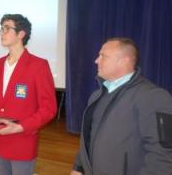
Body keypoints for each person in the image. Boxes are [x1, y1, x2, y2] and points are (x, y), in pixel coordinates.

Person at [71, 37, 172, 175]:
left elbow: (163, 156)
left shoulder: (153, 97)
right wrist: (79, 167)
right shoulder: (97, 95)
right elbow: (88, 138)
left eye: (103, 56)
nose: (96, 60)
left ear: (124, 60)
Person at [0, 14, 57, 175]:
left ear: (21, 34)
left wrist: (20, 127)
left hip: (22, 142)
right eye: (1, 29)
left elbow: (48, 109)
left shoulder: (38, 65)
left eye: (7, 28)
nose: (2, 32)